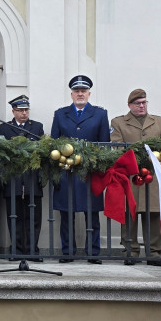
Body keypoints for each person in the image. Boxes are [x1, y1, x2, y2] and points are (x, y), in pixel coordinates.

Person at [50, 75, 110, 263]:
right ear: (72, 94)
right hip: (66, 171)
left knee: (91, 214)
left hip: (89, 173)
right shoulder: (60, 114)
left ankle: (93, 252)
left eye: (83, 91)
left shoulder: (100, 114)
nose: (80, 94)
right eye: (77, 91)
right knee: (66, 214)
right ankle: (68, 251)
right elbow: (54, 142)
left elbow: (104, 145)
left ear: (89, 93)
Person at [109, 89, 161, 265]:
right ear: (130, 105)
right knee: (129, 214)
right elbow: (117, 147)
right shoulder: (119, 122)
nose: (142, 106)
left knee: (153, 214)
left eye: (144, 102)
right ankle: (131, 252)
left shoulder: (158, 121)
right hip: (130, 176)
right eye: (138, 103)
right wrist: (136, 159)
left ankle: (153, 253)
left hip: (152, 175)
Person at [0, 95, 46, 260]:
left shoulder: (37, 127)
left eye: (26, 110)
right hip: (13, 178)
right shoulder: (4, 129)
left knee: (34, 218)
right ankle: (15, 250)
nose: (24, 113)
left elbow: (42, 153)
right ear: (13, 111)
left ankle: (33, 250)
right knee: (14, 216)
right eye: (20, 110)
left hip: (32, 178)